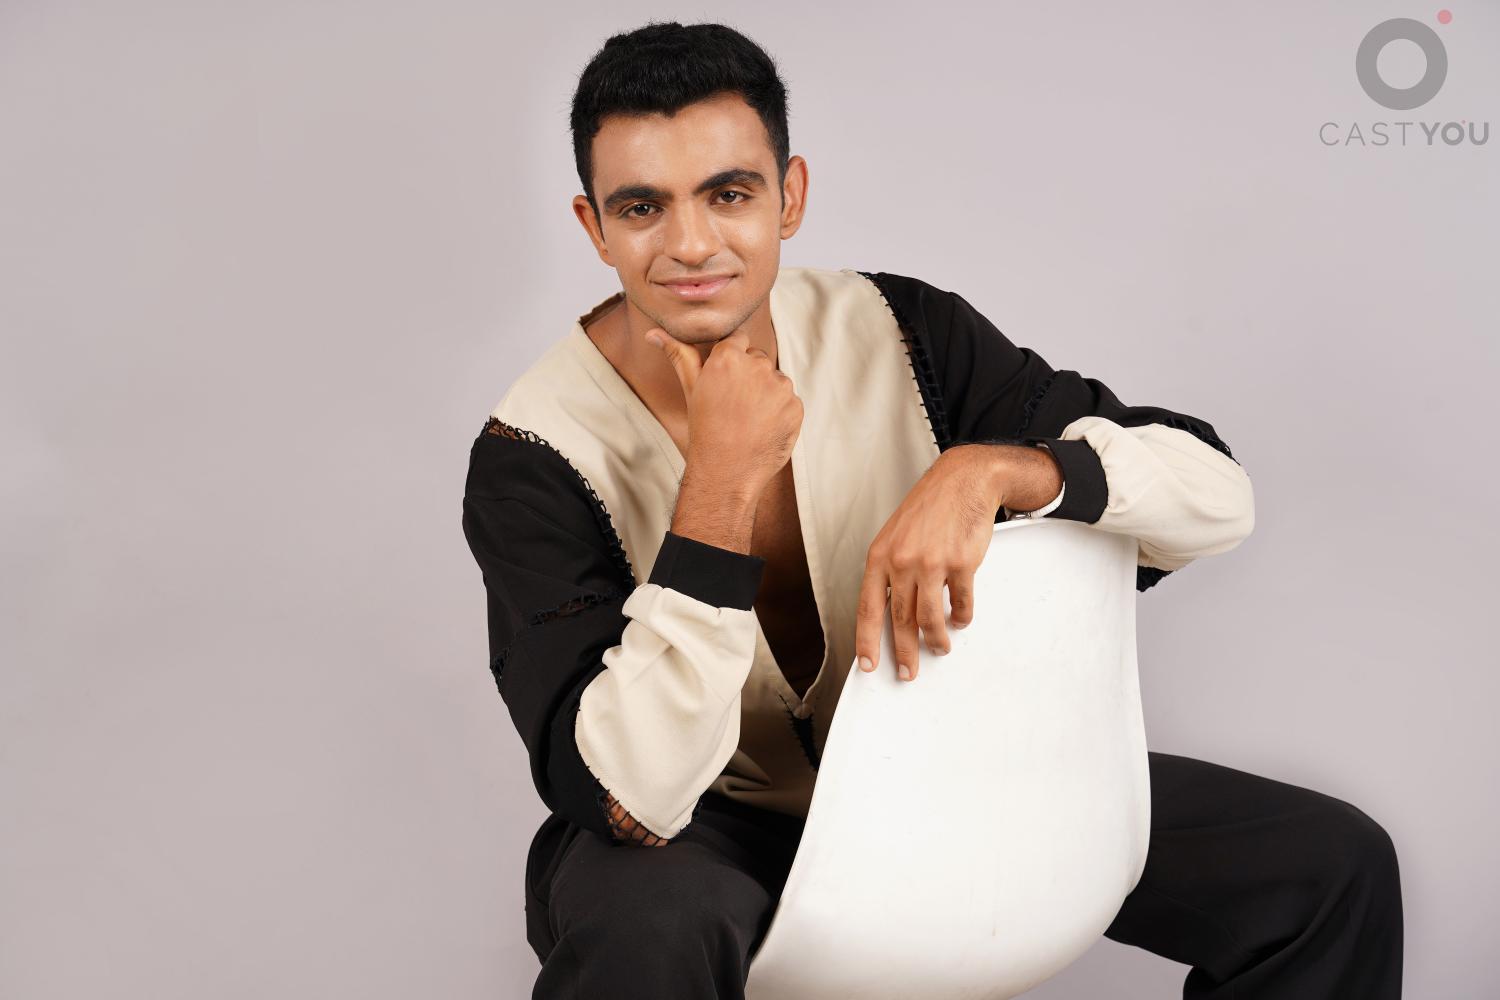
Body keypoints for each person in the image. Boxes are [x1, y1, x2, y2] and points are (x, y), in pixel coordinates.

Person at [460, 20, 1403, 999]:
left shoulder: (904, 332)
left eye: (729, 194)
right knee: (648, 923)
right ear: (595, 227)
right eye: (643, 207)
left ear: (790, 197)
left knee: (1328, 868)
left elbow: (1212, 494)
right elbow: (625, 797)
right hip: (709, 830)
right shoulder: (534, 455)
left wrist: (1003, 470)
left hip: (949, 775)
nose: (691, 243)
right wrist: (718, 494)